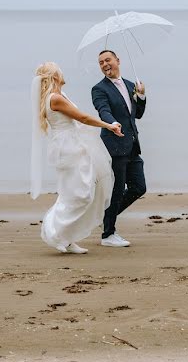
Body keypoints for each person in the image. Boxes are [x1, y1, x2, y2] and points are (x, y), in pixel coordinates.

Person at [31, 62, 123, 254]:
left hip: (73, 145)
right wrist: (109, 125)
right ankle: (54, 229)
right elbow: (83, 118)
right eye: (59, 70)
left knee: (77, 191)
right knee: (80, 193)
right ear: (55, 76)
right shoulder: (55, 98)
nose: (63, 72)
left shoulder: (60, 95)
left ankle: (67, 237)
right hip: (68, 148)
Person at [91, 49, 147, 247]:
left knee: (139, 187)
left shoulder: (131, 85)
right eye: (101, 63)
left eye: (108, 60)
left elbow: (137, 115)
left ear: (118, 61)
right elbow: (103, 110)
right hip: (113, 145)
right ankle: (108, 234)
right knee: (116, 189)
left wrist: (141, 96)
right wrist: (112, 123)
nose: (105, 64)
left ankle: (105, 217)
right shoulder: (99, 89)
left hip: (132, 145)